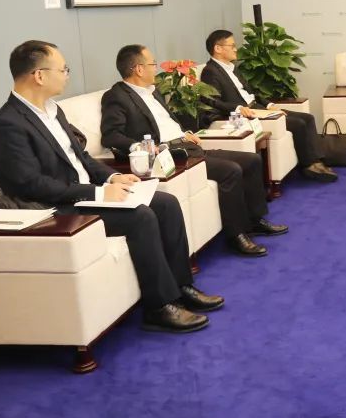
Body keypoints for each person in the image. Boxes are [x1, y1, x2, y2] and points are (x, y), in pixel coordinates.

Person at [0, 40, 222, 333]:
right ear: (39, 76)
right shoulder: (8, 124)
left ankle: (182, 286)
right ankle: (159, 307)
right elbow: (30, 184)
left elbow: (82, 157)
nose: (67, 75)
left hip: (84, 195)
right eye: (63, 69)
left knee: (165, 203)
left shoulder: (53, 111)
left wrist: (111, 178)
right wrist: (97, 193)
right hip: (55, 207)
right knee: (140, 217)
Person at [101, 44, 288, 258]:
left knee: (251, 160)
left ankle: (255, 220)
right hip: (168, 154)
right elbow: (111, 135)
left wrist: (185, 132)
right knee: (230, 170)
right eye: (153, 64)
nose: (156, 68)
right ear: (139, 69)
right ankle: (236, 234)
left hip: (186, 145)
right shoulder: (117, 96)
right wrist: (141, 147)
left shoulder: (154, 91)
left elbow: (167, 122)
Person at [200, 30, 337, 182]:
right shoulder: (210, 71)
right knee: (298, 123)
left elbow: (252, 92)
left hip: (258, 107)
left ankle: (317, 161)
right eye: (232, 46)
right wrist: (237, 108)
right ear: (218, 48)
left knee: (308, 118)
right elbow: (210, 100)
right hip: (246, 114)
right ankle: (310, 166)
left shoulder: (233, 68)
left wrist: (269, 104)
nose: (235, 49)